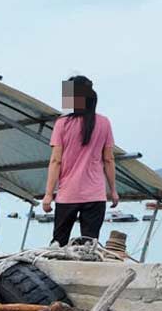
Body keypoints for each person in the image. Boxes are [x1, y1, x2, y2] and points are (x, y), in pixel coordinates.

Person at [41, 75, 118, 246]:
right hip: (95, 195)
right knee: (89, 246)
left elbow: (56, 161)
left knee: (58, 245)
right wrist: (113, 191)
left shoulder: (62, 124)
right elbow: (108, 160)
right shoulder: (104, 123)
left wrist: (48, 194)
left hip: (68, 194)